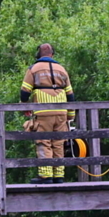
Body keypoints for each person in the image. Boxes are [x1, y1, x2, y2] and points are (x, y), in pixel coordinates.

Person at [20, 43, 75, 184]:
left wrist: (25, 106)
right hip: (61, 111)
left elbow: (25, 91)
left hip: (43, 110)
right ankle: (59, 175)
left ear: (38, 55)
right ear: (52, 54)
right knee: (58, 143)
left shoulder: (33, 69)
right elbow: (70, 95)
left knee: (43, 142)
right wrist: (71, 115)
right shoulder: (62, 70)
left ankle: (45, 176)